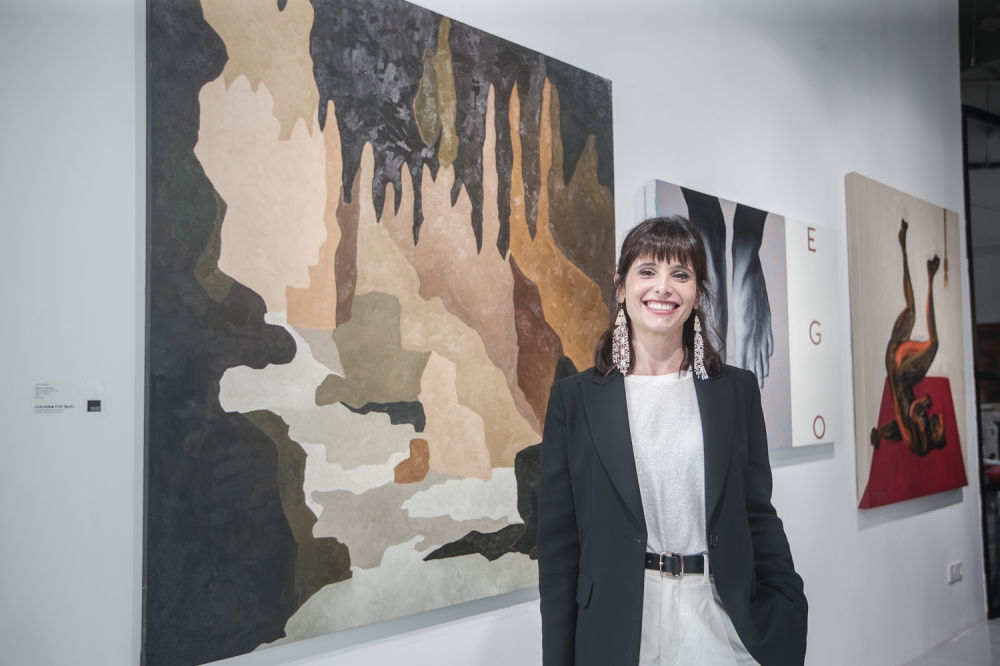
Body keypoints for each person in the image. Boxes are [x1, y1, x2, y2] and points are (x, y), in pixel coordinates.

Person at [537, 216, 807, 666]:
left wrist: (787, 604)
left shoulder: (736, 391)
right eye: (647, 272)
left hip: (718, 617)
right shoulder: (575, 399)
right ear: (621, 287)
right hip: (620, 623)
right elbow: (560, 548)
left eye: (679, 274)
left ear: (697, 293)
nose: (662, 288)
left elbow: (757, 514)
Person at [869, 219, 945, 456]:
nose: (933, 420)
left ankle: (930, 277)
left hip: (901, 372)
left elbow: (912, 413)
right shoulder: (915, 439)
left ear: (934, 435)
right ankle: (903, 246)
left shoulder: (923, 443)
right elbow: (899, 430)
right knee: (911, 310)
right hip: (894, 366)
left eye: (936, 425)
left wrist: (923, 401)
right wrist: (879, 434)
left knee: (933, 345)